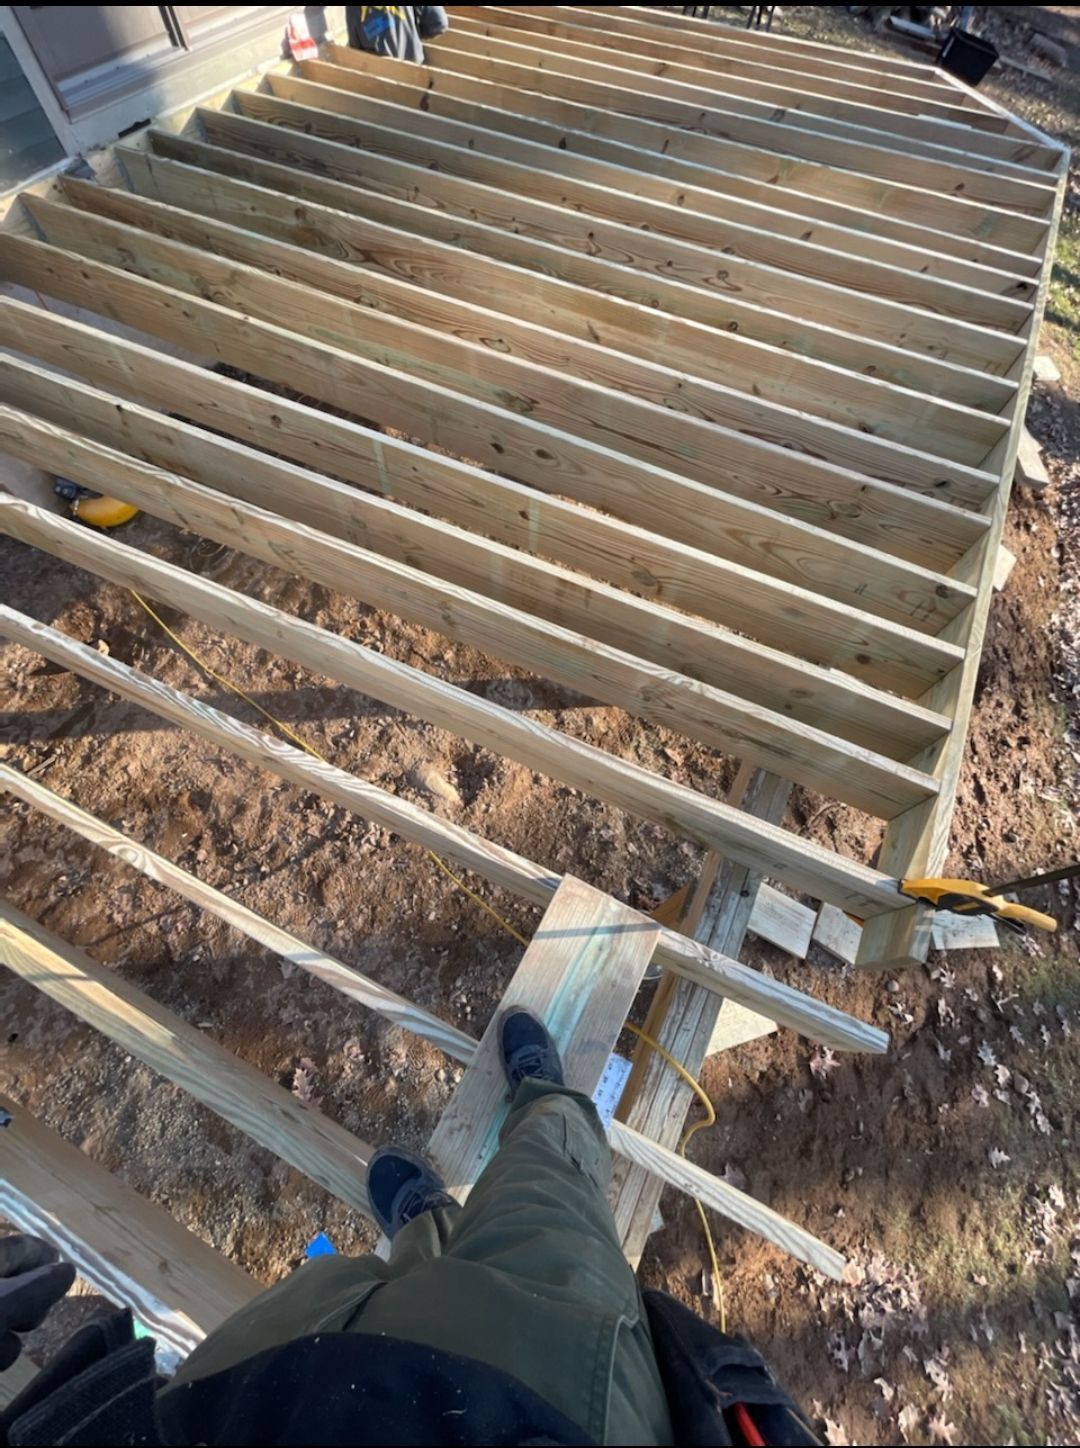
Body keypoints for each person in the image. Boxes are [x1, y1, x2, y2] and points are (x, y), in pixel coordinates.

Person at [0, 1012, 816, 1446]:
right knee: (548, 1183)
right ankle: (542, 1106)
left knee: (340, 1286)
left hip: (253, 1405)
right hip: (567, 1405)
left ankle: (429, 1229)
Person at [345, 5, 448, 64]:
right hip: (414, 73)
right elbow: (439, 23)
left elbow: (355, 47)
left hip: (378, 81)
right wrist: (412, 34)